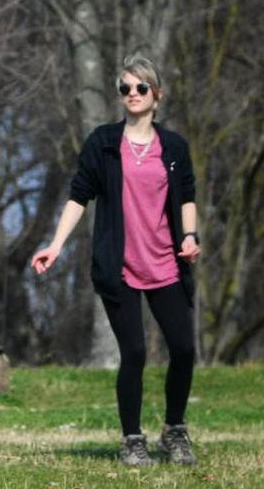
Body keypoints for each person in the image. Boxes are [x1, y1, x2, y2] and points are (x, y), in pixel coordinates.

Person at [31, 55, 202, 466]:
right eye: (125, 88)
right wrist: (55, 244)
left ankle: (175, 431)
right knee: (136, 352)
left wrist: (191, 236)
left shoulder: (173, 147)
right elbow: (79, 195)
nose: (132, 95)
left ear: (156, 94)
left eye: (141, 88)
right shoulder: (104, 142)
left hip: (165, 264)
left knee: (183, 348)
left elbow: (188, 196)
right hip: (119, 266)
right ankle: (132, 439)